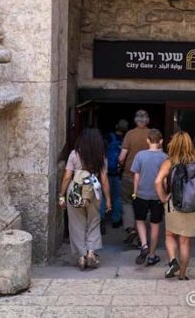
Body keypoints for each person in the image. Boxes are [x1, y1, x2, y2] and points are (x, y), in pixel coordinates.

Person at [155, 131, 195, 280]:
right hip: (193, 204)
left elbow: (158, 181)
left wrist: (163, 197)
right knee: (185, 241)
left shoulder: (169, 162)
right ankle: (183, 275)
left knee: (170, 235)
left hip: (174, 204)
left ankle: (173, 261)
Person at [58, 127, 111, 270]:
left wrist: (61, 195)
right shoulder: (101, 155)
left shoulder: (74, 154)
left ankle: (81, 256)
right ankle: (91, 253)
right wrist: (108, 199)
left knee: (76, 224)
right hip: (93, 190)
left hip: (75, 190)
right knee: (93, 221)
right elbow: (104, 179)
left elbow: (67, 176)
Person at [131, 128, 167, 266]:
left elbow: (136, 176)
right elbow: (164, 180)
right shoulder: (165, 157)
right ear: (161, 141)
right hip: (157, 195)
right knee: (155, 224)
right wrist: (164, 193)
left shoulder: (140, 155)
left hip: (141, 194)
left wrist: (135, 192)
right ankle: (152, 255)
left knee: (140, 220)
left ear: (147, 140)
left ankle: (144, 244)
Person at [118, 110, 150, 245]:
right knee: (144, 205)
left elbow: (121, 157)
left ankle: (131, 229)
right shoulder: (152, 134)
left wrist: (121, 165)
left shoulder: (130, 134)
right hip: (147, 176)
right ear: (147, 120)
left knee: (127, 202)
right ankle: (141, 236)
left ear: (136, 121)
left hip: (129, 174)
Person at [105, 119, 128, 229]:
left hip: (106, 172)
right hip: (118, 173)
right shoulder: (125, 140)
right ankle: (116, 220)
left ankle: (101, 220)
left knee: (104, 196)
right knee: (117, 197)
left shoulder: (109, 137)